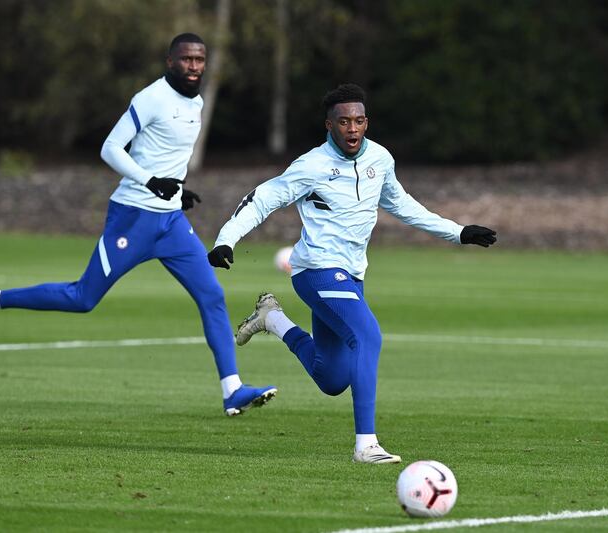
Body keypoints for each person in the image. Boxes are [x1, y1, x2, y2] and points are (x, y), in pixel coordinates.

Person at [0, 33, 277, 417]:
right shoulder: (151, 98)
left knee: (212, 296)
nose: (194, 66)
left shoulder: (198, 102)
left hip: (171, 222)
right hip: (133, 219)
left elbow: (166, 156)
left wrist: (177, 191)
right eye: (186, 59)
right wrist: (149, 182)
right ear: (169, 61)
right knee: (83, 299)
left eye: (200, 60)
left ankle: (233, 391)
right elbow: (109, 148)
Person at [207, 84, 496, 463]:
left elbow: (404, 205)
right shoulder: (310, 165)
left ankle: (273, 319)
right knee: (368, 336)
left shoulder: (380, 158)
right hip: (316, 271)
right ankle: (366, 445)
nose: (352, 128)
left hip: (352, 276)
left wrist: (457, 232)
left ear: (367, 122)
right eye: (343, 121)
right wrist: (226, 239)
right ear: (329, 125)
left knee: (331, 379)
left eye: (359, 120)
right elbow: (262, 199)